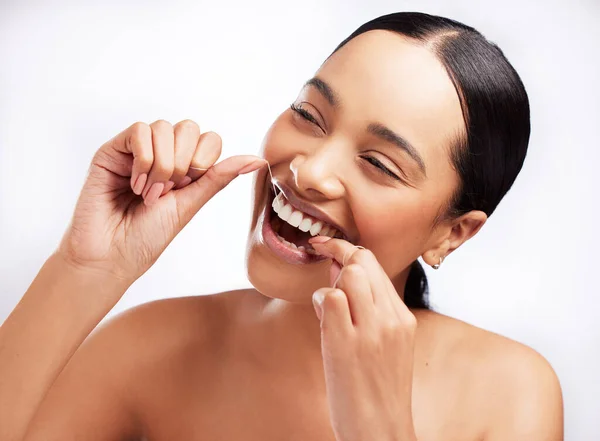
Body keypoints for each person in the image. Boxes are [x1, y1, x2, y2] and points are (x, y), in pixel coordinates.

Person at [0, 11, 563, 441]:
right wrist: (85, 269)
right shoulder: (149, 349)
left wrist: (379, 427)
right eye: (309, 116)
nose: (311, 170)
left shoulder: (510, 393)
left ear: (452, 233)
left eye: (380, 164)